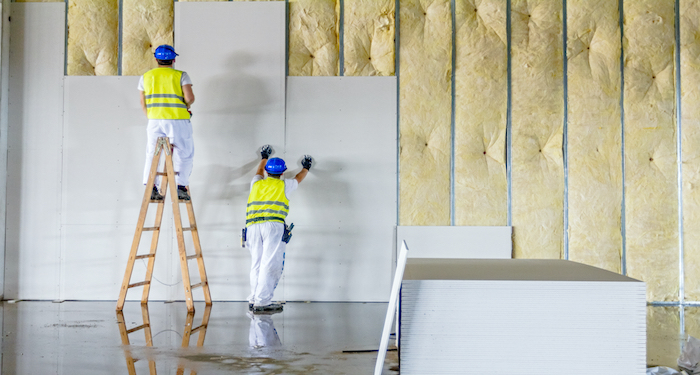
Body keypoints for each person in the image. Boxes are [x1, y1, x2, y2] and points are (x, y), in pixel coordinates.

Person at [246, 145, 313, 313]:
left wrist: (264, 156)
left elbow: (259, 170)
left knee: (256, 263)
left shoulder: (256, 183)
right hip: (272, 226)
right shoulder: (285, 185)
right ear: (282, 173)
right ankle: (262, 302)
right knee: (269, 264)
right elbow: (299, 177)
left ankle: (254, 299)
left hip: (252, 226)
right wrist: (306, 166)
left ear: (267, 172)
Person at [139, 44, 195, 201]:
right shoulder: (181, 75)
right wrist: (187, 105)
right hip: (177, 120)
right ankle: (180, 187)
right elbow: (189, 98)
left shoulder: (145, 77)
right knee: (184, 152)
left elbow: (143, 104)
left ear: (156, 59)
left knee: (152, 153)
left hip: (154, 121)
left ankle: (151, 187)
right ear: (173, 59)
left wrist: (153, 117)